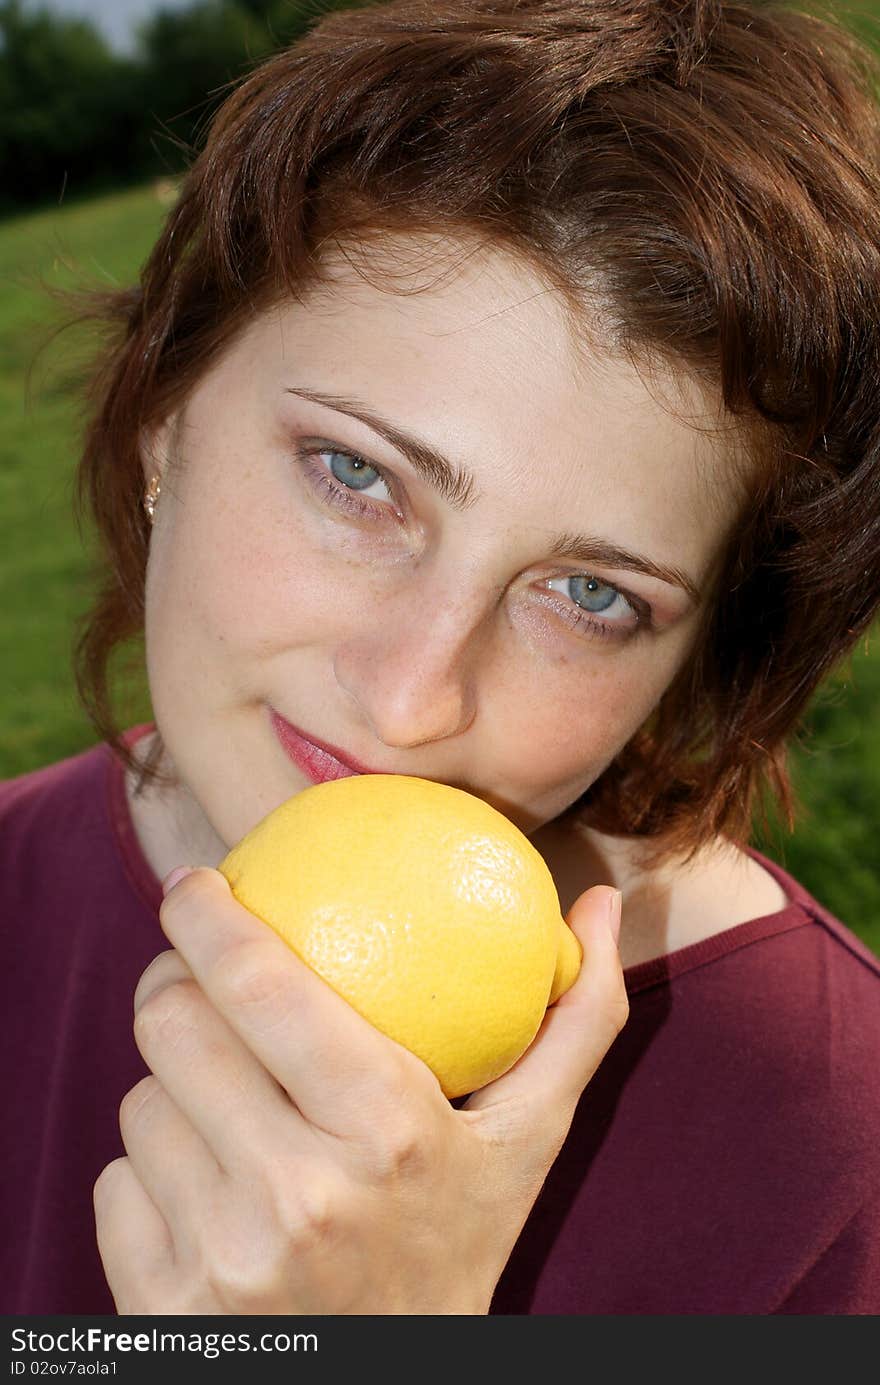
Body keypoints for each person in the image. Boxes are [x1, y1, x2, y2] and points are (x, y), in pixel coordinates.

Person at [3, 0, 880, 1316]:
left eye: (589, 592)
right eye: (358, 476)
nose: (411, 701)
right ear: (167, 414)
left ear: (696, 658)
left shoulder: (832, 1153)